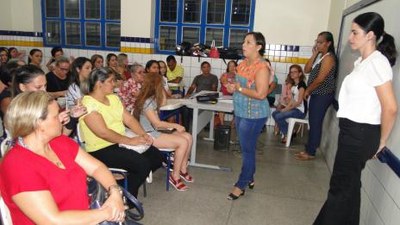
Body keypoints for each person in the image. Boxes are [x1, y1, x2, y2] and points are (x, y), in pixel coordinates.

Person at [313, 12, 397, 225]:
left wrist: (382, 141)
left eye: (354, 32)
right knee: (348, 189)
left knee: (340, 189)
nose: (350, 37)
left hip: (360, 133)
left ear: (370, 35)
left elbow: (390, 108)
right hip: (353, 131)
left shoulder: (377, 62)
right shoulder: (364, 62)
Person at [0, 91, 125, 224]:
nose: (63, 118)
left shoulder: (58, 142)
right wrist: (107, 212)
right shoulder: (18, 166)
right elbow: (53, 221)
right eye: (56, 116)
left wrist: (115, 192)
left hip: (88, 217)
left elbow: (96, 167)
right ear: (38, 123)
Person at [80, 68, 164, 197]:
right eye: (111, 81)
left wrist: (143, 134)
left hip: (120, 141)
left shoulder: (113, 98)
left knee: (156, 157)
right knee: (142, 164)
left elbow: (129, 119)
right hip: (101, 148)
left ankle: (121, 185)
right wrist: (130, 141)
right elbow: (103, 133)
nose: (115, 84)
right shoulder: (87, 104)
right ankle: (126, 199)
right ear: (99, 84)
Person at [226, 32, 270, 200]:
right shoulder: (243, 64)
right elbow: (239, 85)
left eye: (248, 42)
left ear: (258, 47)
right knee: (247, 148)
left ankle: (241, 184)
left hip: (254, 115)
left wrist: (238, 89)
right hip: (240, 111)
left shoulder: (262, 67)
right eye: (244, 41)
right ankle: (250, 177)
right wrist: (232, 87)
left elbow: (261, 94)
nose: (243, 45)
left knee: (247, 151)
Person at [133, 73, 193, 191]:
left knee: (188, 137)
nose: (163, 85)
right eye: (161, 84)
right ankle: (174, 176)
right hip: (149, 135)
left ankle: (182, 169)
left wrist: (161, 90)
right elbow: (157, 124)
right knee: (183, 142)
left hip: (155, 132)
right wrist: (175, 125)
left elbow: (164, 103)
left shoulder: (152, 99)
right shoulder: (147, 102)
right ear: (155, 86)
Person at [295, 31, 337, 160]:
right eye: (316, 42)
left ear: (328, 43)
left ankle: (311, 151)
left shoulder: (329, 58)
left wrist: (307, 90)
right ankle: (309, 149)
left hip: (323, 95)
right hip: (317, 94)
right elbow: (307, 70)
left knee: (315, 122)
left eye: (320, 42)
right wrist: (314, 54)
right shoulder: (321, 56)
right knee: (313, 122)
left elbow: (320, 79)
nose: (317, 44)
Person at [272, 64, 307, 143]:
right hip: (295, 109)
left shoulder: (302, 85)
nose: (292, 74)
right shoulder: (295, 85)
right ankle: (290, 132)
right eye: (291, 72)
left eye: (295, 72)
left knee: (279, 116)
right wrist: (286, 108)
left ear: (300, 74)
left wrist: (286, 109)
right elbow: (292, 100)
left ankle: (288, 134)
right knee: (274, 113)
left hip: (300, 111)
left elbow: (299, 102)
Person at [218, 60, 237, 125]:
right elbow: (224, 82)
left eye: (233, 66)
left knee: (238, 108)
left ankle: (233, 124)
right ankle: (222, 124)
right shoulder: (224, 75)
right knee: (221, 108)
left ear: (236, 67)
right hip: (224, 96)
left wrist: (237, 75)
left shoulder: (238, 76)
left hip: (235, 96)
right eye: (230, 66)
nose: (232, 67)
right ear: (228, 67)